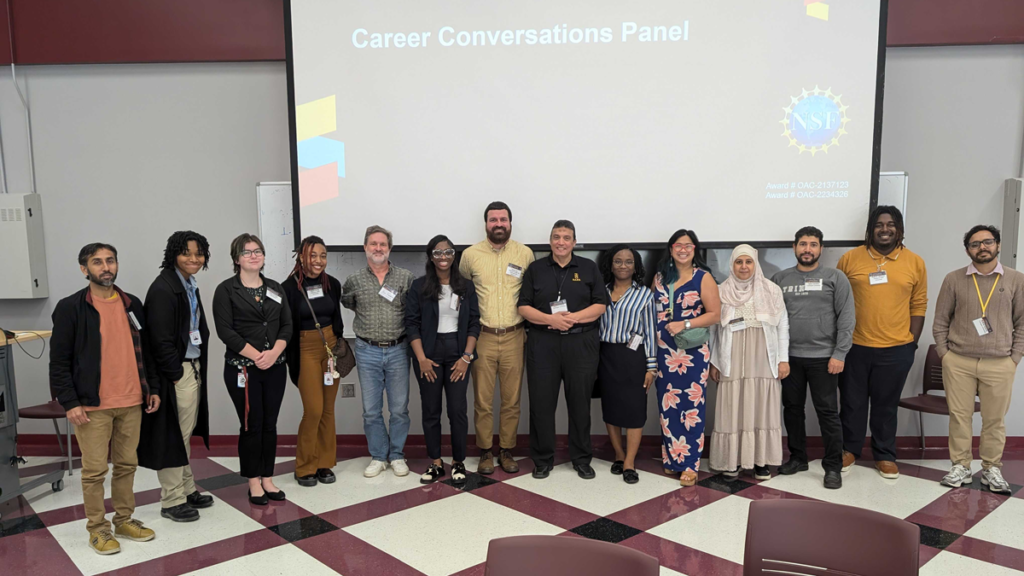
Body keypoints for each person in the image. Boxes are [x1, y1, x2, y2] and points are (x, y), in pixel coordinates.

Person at [50, 243, 159, 555]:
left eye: (110, 260)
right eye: (97, 262)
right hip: (92, 406)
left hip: (131, 401)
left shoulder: (132, 305)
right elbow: (59, 362)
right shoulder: (71, 308)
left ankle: (124, 519)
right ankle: (98, 529)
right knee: (94, 471)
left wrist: (152, 389)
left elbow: (146, 353)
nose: (105, 267)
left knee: (126, 465)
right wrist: (70, 402)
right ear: (85, 269)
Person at [837, 206, 927, 479]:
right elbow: (837, 302)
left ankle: (884, 455)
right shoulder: (850, 259)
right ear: (870, 229)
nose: (884, 229)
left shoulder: (915, 262)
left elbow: (919, 304)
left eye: (890, 224)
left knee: (886, 405)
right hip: (854, 346)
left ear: (899, 229)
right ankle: (849, 449)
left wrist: (911, 343)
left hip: (896, 349)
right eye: (879, 224)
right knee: (852, 403)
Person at [933, 225, 1024, 493]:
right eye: (975, 244)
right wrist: (945, 355)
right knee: (959, 416)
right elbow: (940, 321)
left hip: (999, 363)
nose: (982, 247)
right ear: (967, 250)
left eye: (987, 242)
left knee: (994, 419)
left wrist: (1014, 358)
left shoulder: (1016, 280)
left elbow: (1022, 323)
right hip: (958, 360)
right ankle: (960, 466)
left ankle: (991, 469)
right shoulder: (954, 279)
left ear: (997, 245)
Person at [518, 220, 608, 480]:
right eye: (556, 237)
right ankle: (543, 459)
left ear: (574, 242)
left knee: (580, 404)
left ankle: (581, 458)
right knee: (541, 404)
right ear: (550, 241)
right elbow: (523, 307)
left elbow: (600, 305)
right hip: (543, 342)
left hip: (580, 343)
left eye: (566, 237)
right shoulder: (535, 269)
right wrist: (551, 320)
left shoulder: (589, 268)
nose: (561, 242)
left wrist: (572, 319)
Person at [770, 227, 854, 489]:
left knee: (827, 413)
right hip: (789, 358)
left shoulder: (835, 277)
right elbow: (772, 320)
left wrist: (839, 353)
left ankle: (832, 467)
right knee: (792, 410)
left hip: (824, 358)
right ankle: (798, 458)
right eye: (803, 244)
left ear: (821, 249)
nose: (808, 249)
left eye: (813, 244)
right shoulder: (779, 279)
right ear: (794, 247)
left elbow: (847, 317)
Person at [140, 231, 215, 523]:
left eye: (199, 254)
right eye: (187, 253)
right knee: (174, 438)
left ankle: (186, 490)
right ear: (174, 254)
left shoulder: (187, 284)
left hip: (190, 367)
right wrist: (174, 374)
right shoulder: (163, 288)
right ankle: (172, 500)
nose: (194, 259)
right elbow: (159, 340)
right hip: (178, 372)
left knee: (183, 435)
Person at [212, 233, 292, 505]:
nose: (254, 255)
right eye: (247, 252)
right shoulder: (226, 290)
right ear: (237, 259)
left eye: (258, 251)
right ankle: (253, 481)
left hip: (275, 367)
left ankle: (267, 477)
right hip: (242, 368)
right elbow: (225, 331)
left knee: (270, 424)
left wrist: (275, 353)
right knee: (251, 424)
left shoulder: (275, 288)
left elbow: (286, 325)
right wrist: (258, 356)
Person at [459, 201, 534, 475]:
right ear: (486, 223)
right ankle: (485, 452)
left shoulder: (525, 254)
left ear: (510, 223)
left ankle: (506, 450)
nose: (498, 224)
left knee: (512, 399)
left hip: (515, 336)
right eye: (493, 220)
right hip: (483, 337)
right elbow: (463, 295)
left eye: (503, 219)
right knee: (482, 399)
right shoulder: (470, 255)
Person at [406, 235, 481, 485]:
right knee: (431, 410)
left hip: (458, 351)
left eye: (447, 252)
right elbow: (412, 325)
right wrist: (422, 359)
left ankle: (458, 461)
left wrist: (466, 358)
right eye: (437, 253)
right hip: (428, 353)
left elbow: (473, 323)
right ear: (430, 256)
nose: (443, 257)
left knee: (457, 410)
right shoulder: (419, 286)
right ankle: (436, 462)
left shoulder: (466, 287)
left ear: (454, 255)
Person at [710, 245, 789, 480]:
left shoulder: (771, 290)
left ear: (756, 264)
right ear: (731, 265)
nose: (744, 267)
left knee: (761, 407)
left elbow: (783, 325)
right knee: (733, 406)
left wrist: (783, 360)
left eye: (748, 262)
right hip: (731, 357)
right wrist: (714, 362)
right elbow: (714, 330)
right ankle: (731, 460)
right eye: (738, 262)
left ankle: (760, 461)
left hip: (763, 357)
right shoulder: (720, 291)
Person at [343, 225, 415, 478]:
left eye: (382, 244)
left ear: (389, 248)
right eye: (373, 244)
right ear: (365, 247)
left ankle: (396, 455)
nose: (378, 248)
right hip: (366, 350)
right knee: (371, 410)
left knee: (399, 409)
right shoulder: (353, 281)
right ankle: (378, 456)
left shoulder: (405, 278)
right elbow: (349, 304)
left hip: (398, 349)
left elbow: (413, 310)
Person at [653, 229, 720, 487]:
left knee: (691, 407)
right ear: (670, 249)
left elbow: (715, 314)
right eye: (678, 245)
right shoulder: (660, 278)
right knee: (667, 405)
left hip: (692, 353)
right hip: (664, 351)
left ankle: (690, 464)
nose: (683, 249)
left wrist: (686, 324)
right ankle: (673, 458)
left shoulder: (703, 278)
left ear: (695, 249)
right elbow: (654, 312)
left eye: (688, 245)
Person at [282, 236, 345, 487]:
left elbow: (336, 318)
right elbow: (286, 325)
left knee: (328, 409)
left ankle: (324, 463)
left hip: (329, 348)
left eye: (322, 255)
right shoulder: (288, 288)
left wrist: (336, 345)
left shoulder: (333, 284)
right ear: (301, 257)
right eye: (312, 255)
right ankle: (305, 465)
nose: (318, 261)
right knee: (314, 410)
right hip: (304, 348)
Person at [596, 244, 657, 485]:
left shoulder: (644, 295)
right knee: (610, 408)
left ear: (636, 266)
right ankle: (619, 456)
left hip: (633, 357)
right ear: (610, 264)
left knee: (634, 409)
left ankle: (630, 461)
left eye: (628, 261)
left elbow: (651, 332)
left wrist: (651, 367)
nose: (623, 265)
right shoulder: (599, 291)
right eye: (618, 261)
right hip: (605, 355)